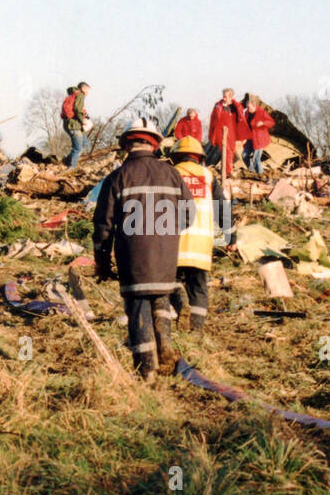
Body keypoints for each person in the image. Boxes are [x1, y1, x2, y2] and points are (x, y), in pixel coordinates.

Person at [93, 119, 193, 382]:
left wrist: (102, 263)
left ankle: (147, 372)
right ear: (154, 145)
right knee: (160, 301)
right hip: (165, 258)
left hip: (132, 259)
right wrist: (168, 233)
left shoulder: (117, 177)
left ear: (127, 145)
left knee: (138, 310)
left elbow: (103, 225)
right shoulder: (173, 174)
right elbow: (189, 216)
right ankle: (166, 347)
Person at [168, 137, 233, 332]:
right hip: (201, 244)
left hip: (174, 241)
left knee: (172, 281)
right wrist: (232, 237)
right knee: (199, 287)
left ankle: (180, 307)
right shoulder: (208, 175)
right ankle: (195, 330)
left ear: (176, 157)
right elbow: (222, 207)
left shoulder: (170, 173)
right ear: (199, 157)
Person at [206, 88, 238, 177]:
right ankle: (229, 171)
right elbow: (213, 120)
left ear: (231, 96)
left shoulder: (236, 106)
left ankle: (228, 168)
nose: (223, 98)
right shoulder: (218, 106)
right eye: (223, 96)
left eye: (226, 96)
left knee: (231, 150)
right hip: (220, 130)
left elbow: (241, 120)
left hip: (232, 131)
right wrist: (211, 134)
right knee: (225, 150)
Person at [241, 96, 275, 176]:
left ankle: (260, 175)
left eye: (249, 108)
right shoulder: (246, 114)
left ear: (254, 106)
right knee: (244, 155)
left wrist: (263, 123)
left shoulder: (261, 112)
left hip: (259, 138)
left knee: (256, 158)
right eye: (247, 107)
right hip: (250, 138)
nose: (248, 109)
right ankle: (252, 171)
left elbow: (271, 122)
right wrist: (243, 138)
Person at [62, 81, 91, 168]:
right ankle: (71, 168)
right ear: (83, 88)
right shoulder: (80, 95)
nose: (88, 93)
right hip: (74, 125)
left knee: (85, 144)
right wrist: (82, 120)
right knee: (77, 148)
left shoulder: (73, 95)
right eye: (88, 90)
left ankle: (66, 161)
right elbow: (78, 109)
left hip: (70, 124)